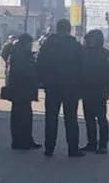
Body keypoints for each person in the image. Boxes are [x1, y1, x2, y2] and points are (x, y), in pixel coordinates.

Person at [36, 18, 85, 157]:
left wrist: (43, 82)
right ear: (69, 29)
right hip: (71, 88)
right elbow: (82, 67)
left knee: (51, 117)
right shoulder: (75, 46)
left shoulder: (48, 44)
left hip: (52, 87)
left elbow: (39, 64)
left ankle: (49, 148)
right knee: (71, 119)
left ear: (57, 29)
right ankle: (73, 149)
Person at [81, 29, 109, 154]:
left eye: (92, 39)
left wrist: (98, 79)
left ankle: (103, 145)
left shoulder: (107, 54)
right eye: (89, 39)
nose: (90, 41)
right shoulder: (84, 53)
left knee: (101, 119)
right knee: (89, 118)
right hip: (89, 90)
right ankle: (92, 143)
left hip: (99, 90)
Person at [5, 33, 41, 150]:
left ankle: (26, 139)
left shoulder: (19, 53)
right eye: (30, 44)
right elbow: (24, 72)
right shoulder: (19, 55)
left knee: (25, 115)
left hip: (22, 89)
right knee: (20, 116)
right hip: (20, 89)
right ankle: (19, 141)